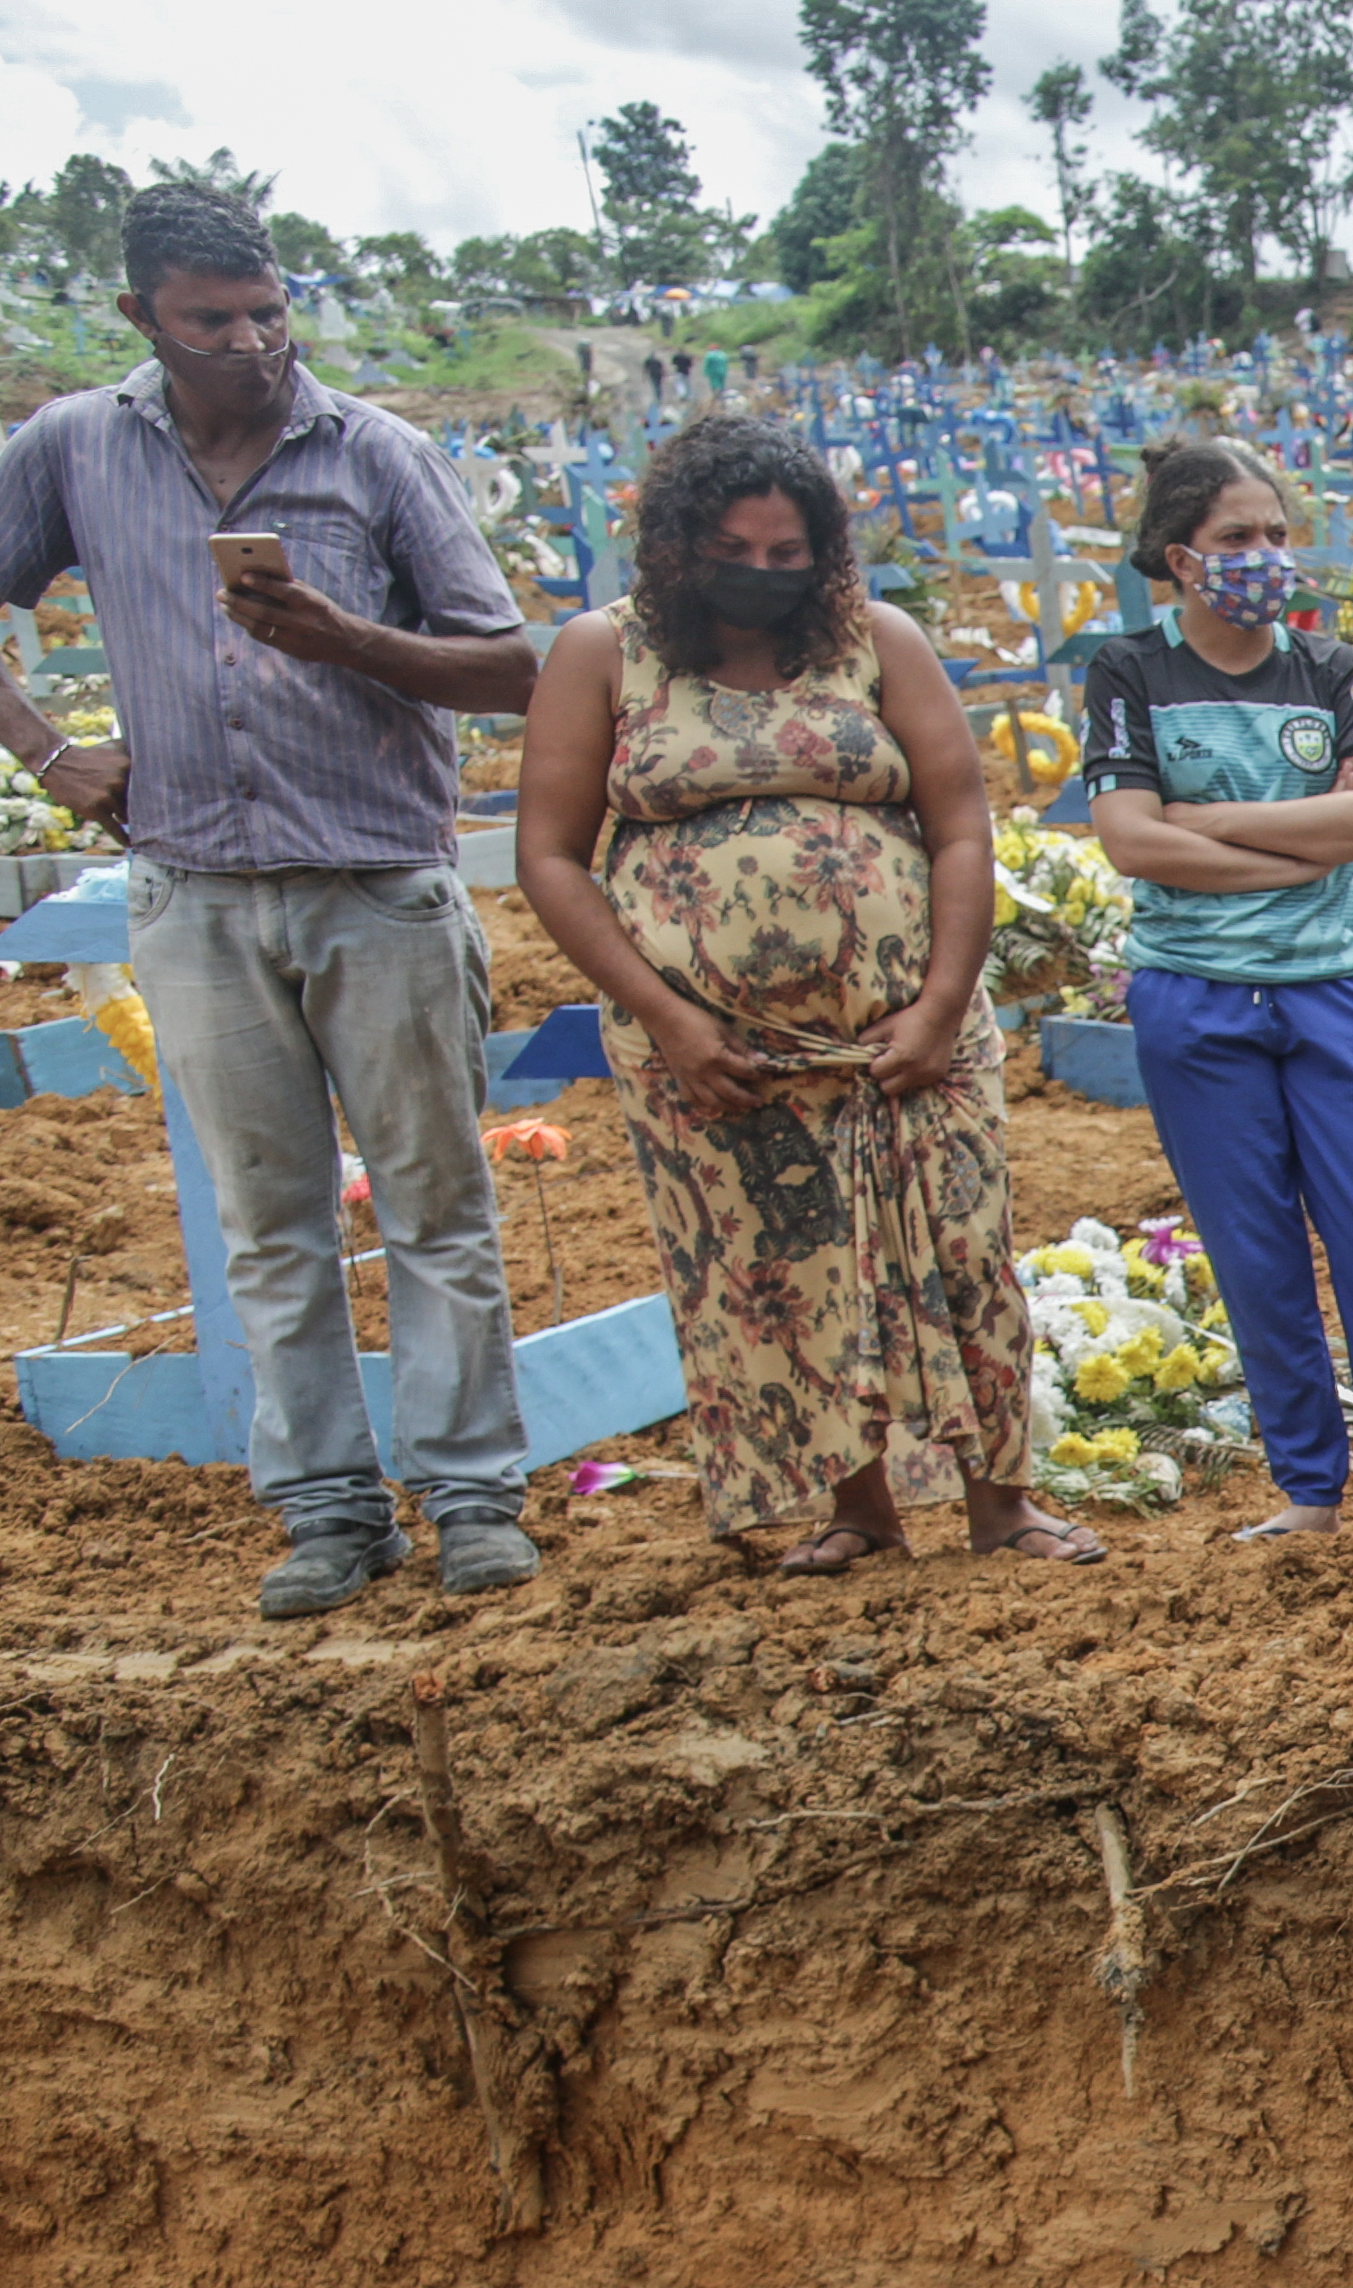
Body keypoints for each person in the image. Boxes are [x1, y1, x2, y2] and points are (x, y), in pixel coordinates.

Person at [0, 182, 542, 1615]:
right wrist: (50, 752)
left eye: (269, 311)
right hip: (198, 893)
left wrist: (346, 637)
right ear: (138, 320)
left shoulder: (375, 454)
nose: (252, 342)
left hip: (377, 885)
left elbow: (514, 665)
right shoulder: (78, 449)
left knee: (434, 1197)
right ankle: (329, 1508)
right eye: (211, 321)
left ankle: (470, 1492)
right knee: (266, 1219)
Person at [514, 418, 1076, 1576]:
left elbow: (961, 825)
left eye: (789, 555)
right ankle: (857, 1508)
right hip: (710, 1047)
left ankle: (1002, 1504)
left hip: (905, 1029)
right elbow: (550, 856)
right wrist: (670, 1018)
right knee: (778, 1267)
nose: (764, 574)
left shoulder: (878, 642)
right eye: (734, 549)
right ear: (674, 546)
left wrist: (937, 1003)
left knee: (959, 1248)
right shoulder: (602, 655)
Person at [1079, 439, 1353, 1548]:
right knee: (1256, 1253)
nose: (1265, 559)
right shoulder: (1128, 673)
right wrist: (1303, 845)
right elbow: (1126, 841)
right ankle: (1309, 1487)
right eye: (1237, 539)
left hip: (1331, 990)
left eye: (1277, 536)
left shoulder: (1330, 670)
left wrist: (1199, 821)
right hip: (1194, 1001)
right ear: (1177, 555)